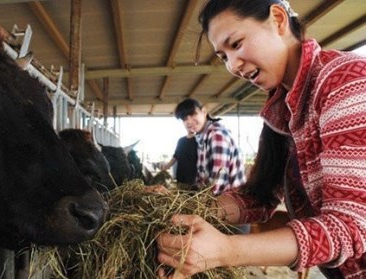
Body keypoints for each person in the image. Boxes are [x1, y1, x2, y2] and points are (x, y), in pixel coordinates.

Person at [156, 0, 366, 278]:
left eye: (236, 44)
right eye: (223, 56)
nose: (233, 65)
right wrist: (175, 209)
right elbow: (260, 196)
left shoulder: (346, 81)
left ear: (278, 20)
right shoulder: (281, 110)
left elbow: (351, 225)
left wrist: (225, 250)